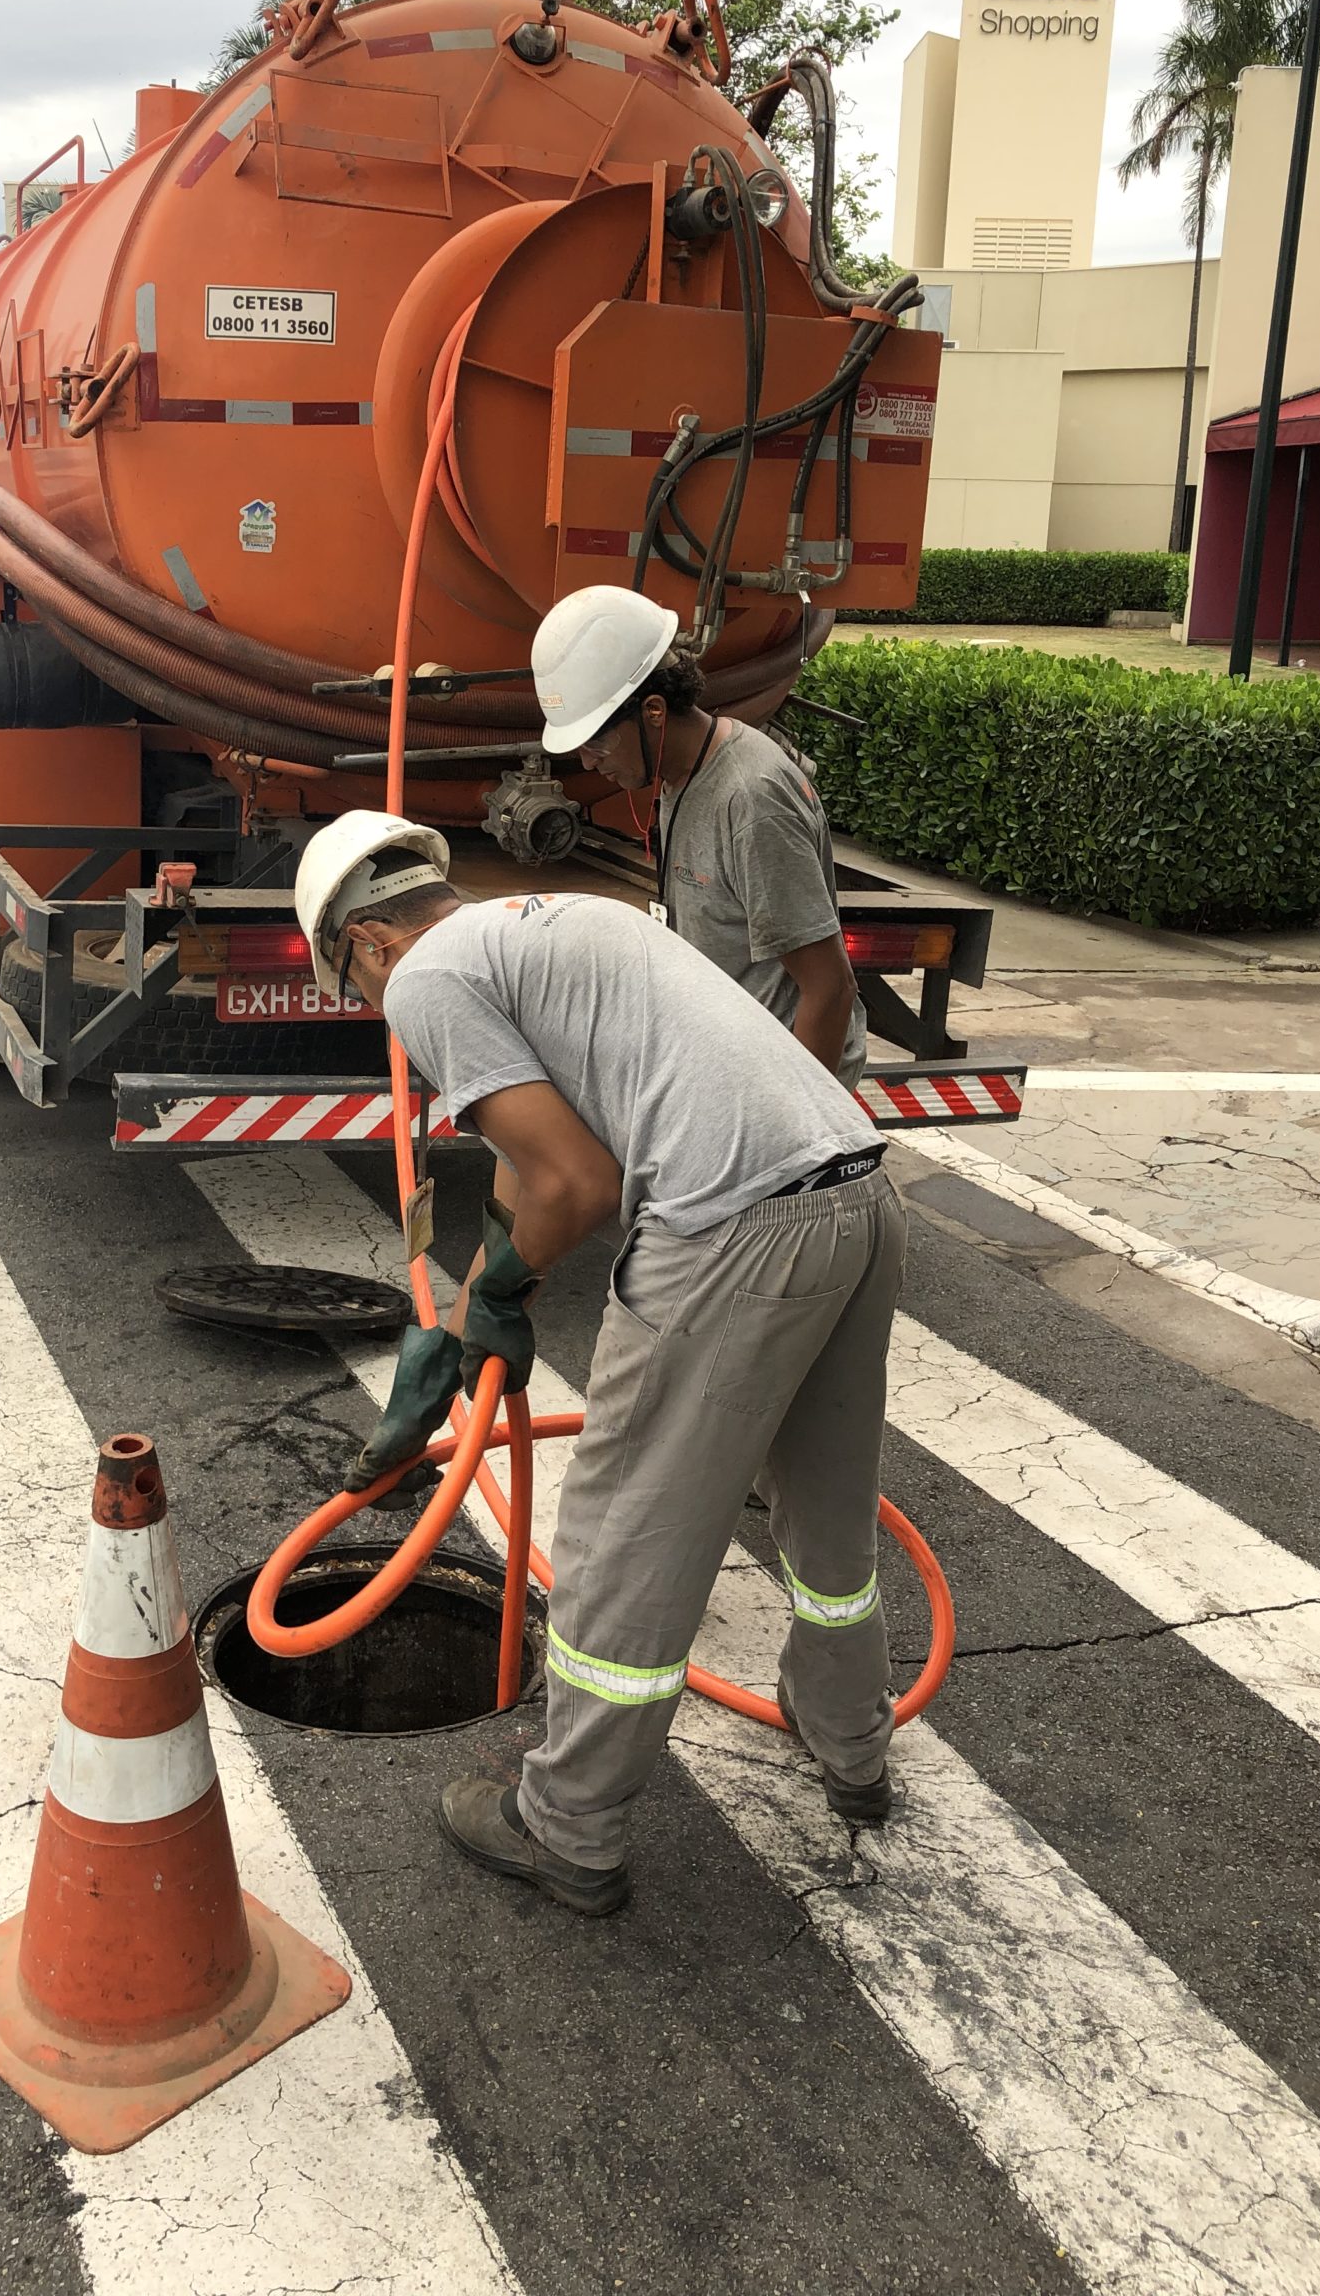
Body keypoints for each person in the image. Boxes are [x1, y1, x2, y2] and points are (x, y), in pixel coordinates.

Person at [293, 810, 905, 1917]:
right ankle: (854, 1749)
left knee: (624, 1533)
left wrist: (506, 1286)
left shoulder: (426, 977)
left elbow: (573, 1182)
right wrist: (488, 1283)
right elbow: (539, 1156)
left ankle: (567, 1824)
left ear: (371, 942)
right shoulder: (557, 923)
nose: (370, 1006)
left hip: (734, 1227)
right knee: (826, 1513)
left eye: (350, 983)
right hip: (857, 1190)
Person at [530, 584, 866, 1087]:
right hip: (727, 1068)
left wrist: (801, 1124)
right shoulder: (678, 772)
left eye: (597, 739)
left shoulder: (752, 801)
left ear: (656, 711)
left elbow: (829, 987)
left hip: (774, 1084)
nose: (586, 762)